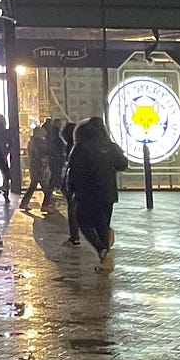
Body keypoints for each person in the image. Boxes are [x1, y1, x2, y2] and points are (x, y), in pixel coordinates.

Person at [65, 116, 127, 272]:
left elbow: (73, 170)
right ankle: (104, 260)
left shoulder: (80, 147)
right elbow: (122, 164)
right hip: (107, 192)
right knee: (102, 225)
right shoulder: (109, 146)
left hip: (86, 192)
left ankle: (101, 250)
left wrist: (71, 188)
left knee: (83, 221)